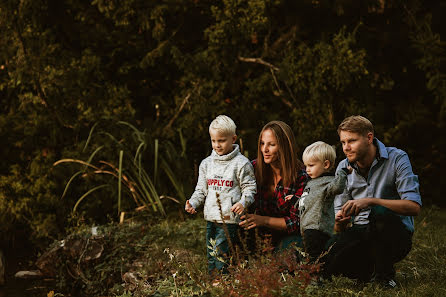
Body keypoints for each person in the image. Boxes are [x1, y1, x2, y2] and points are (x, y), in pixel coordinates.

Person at [326, 115, 422, 288]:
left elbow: (414, 207)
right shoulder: (342, 167)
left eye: (352, 141)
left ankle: (384, 278)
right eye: (343, 142)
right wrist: (340, 221)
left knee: (379, 213)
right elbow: (338, 227)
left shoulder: (397, 158)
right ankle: (368, 271)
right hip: (361, 231)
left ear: (369, 138)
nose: (346, 148)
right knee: (330, 256)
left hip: (393, 232)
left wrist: (370, 201)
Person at [185, 115, 257, 276]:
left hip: (230, 218)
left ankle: (223, 282)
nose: (217, 145)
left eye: (222, 141)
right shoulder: (206, 164)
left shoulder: (241, 163)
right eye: (213, 140)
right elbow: (201, 190)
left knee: (221, 251)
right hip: (211, 216)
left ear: (233, 139)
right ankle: (214, 281)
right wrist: (193, 203)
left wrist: (243, 203)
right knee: (212, 251)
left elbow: (250, 187)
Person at [239, 121, 308, 251]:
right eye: (262, 143)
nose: (265, 149)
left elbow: (297, 222)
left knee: (293, 248)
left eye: (271, 145)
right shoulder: (252, 168)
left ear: (284, 147)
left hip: (288, 235)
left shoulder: (301, 176)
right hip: (257, 232)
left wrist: (263, 220)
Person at [298, 141, 351, 262]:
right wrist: (295, 200)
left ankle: (316, 279)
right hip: (307, 227)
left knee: (314, 257)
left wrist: (342, 173)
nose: (307, 170)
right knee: (310, 256)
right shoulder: (311, 182)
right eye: (306, 166)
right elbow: (308, 201)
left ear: (326, 164)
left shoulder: (328, 181)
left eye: (311, 165)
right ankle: (313, 276)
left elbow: (337, 187)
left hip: (318, 227)